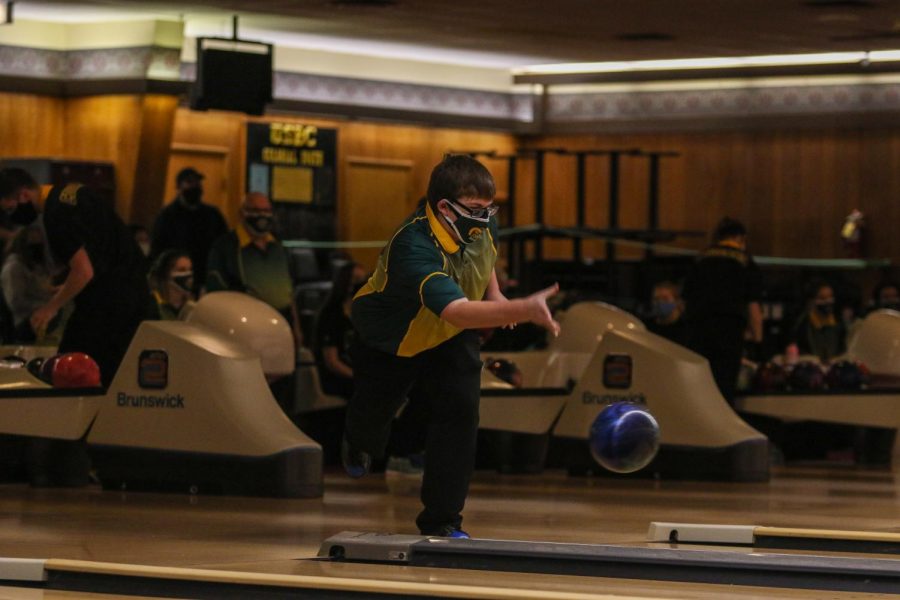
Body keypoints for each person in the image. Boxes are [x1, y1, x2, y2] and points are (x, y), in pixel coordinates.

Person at [342, 154, 560, 538]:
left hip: (449, 335)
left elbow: (485, 257)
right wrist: (523, 308)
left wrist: (495, 299)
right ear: (444, 207)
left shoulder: (482, 219)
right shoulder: (412, 245)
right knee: (373, 417)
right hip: (393, 337)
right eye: (476, 209)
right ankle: (358, 441)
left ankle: (442, 520)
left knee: (460, 415)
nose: (486, 216)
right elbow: (458, 311)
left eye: (489, 207)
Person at [0, 168, 150, 386]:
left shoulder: (56, 215)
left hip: (107, 306)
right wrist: (62, 288)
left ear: (23, 195)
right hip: (133, 295)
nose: (12, 216)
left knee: (67, 371)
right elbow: (97, 254)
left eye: (10, 208)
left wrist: (50, 308)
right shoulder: (72, 192)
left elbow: (84, 271)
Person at [205, 191, 303, 348]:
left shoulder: (278, 245)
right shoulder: (225, 246)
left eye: (266, 211)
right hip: (247, 328)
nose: (262, 216)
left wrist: (296, 329)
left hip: (283, 325)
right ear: (242, 213)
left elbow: (289, 292)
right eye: (256, 211)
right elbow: (217, 294)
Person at [683, 217, 763, 405]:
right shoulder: (745, 262)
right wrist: (757, 338)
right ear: (740, 238)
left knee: (700, 387)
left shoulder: (701, 259)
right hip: (730, 330)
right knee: (724, 387)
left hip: (699, 330)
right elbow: (753, 305)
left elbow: (686, 298)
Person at [150, 167, 226, 295]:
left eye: (198, 182)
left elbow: (222, 245)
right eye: (190, 182)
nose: (195, 186)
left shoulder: (212, 215)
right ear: (179, 187)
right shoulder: (167, 217)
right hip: (177, 280)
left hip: (207, 280)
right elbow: (158, 251)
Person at [313, 261, 367, 399]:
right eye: (359, 281)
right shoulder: (332, 315)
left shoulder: (361, 314)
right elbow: (332, 362)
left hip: (357, 373)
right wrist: (360, 377)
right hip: (338, 378)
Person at [0, 224, 58, 343]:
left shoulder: (33, 265)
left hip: (43, 318)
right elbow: (16, 301)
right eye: (33, 242)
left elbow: (39, 289)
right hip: (26, 324)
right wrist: (45, 307)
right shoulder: (14, 267)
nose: (37, 246)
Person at [788, 280, 846, 363]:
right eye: (822, 298)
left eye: (830, 297)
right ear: (812, 301)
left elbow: (842, 350)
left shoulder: (838, 323)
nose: (828, 301)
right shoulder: (803, 324)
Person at [148, 250, 195, 320]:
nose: (188, 274)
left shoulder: (191, 305)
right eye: (181, 270)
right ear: (166, 274)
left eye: (190, 269)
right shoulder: (152, 306)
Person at [646, 280, 687, 345]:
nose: (660, 302)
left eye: (665, 298)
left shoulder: (685, 332)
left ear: (676, 302)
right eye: (656, 299)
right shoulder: (647, 327)